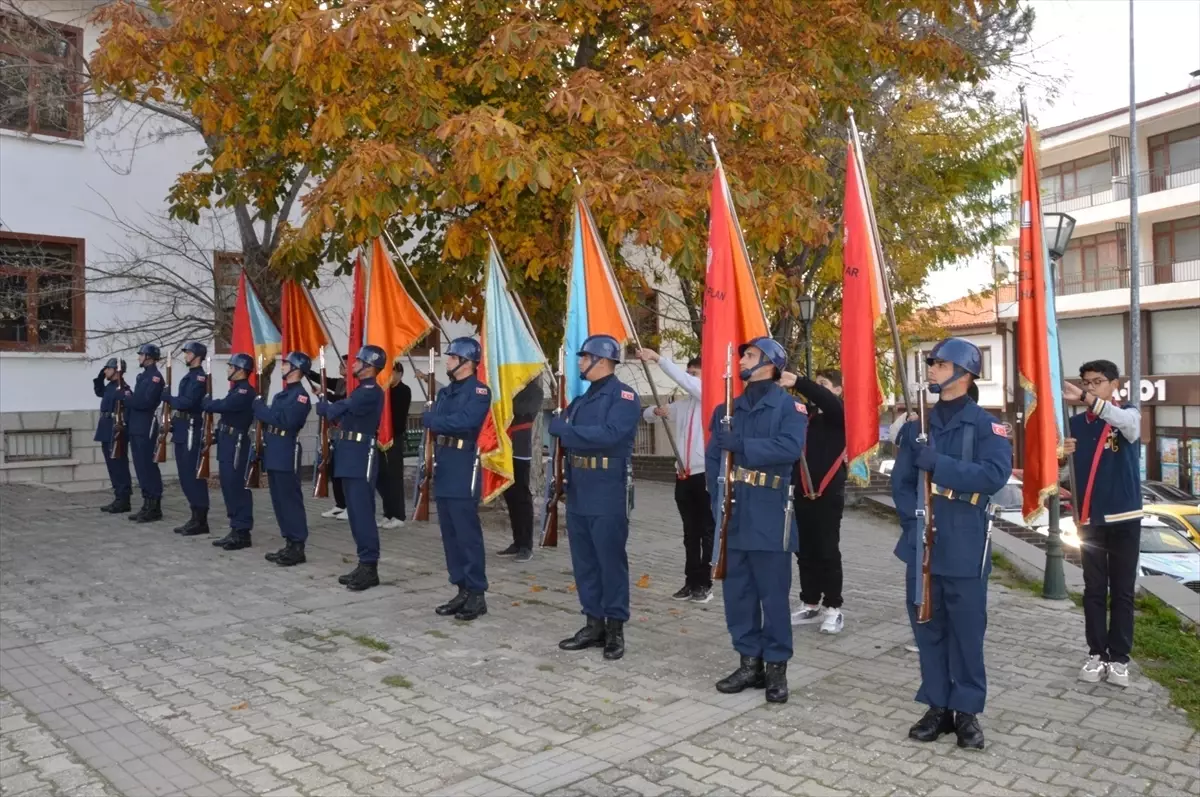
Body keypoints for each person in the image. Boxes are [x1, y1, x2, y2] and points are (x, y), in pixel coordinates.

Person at [891, 337, 1011, 750]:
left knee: (966, 633)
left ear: (965, 373)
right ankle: (938, 706)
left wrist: (939, 465)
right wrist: (913, 523)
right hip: (922, 540)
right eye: (931, 363)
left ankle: (967, 712)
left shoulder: (986, 426)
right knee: (927, 629)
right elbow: (901, 484)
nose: (931, 369)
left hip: (964, 541)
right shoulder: (916, 428)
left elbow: (993, 476)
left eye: (939, 364)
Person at [706, 337, 807, 704]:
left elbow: (789, 448)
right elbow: (714, 458)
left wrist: (744, 446)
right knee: (738, 593)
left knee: (773, 596)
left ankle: (776, 667)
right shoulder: (727, 409)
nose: (742, 360)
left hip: (769, 510)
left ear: (770, 364)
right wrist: (717, 501)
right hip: (734, 509)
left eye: (749, 355)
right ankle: (749, 662)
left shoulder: (789, 407)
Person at [551, 334, 642, 660]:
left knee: (610, 561)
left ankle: (615, 628)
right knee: (585, 562)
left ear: (601, 361)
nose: (579, 362)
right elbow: (562, 427)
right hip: (580, 487)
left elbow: (610, 436)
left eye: (584, 357)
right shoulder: (581, 399)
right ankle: (593, 623)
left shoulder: (624, 397)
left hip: (607, 489)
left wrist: (567, 431)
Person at [1061, 360, 1143, 689]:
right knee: (1094, 589)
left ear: (1114, 384)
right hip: (1089, 518)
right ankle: (1097, 653)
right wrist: (1060, 454)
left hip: (1125, 517)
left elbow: (1126, 423)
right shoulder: (1074, 424)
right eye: (1086, 382)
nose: (1091, 387)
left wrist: (1086, 398)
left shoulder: (1128, 416)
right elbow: (1064, 475)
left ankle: (1120, 658)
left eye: (1097, 382)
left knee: (1122, 590)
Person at [637, 348, 713, 603]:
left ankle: (705, 583)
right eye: (688, 372)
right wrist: (655, 412)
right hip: (683, 476)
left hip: (704, 475)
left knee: (706, 531)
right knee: (689, 533)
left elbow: (687, 383)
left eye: (695, 373)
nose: (689, 377)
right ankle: (690, 581)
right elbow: (649, 415)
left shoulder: (710, 398)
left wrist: (659, 359)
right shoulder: (683, 405)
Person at [425, 337, 492, 621]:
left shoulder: (478, 391)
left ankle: (477, 593)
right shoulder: (445, 392)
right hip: (445, 463)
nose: (448, 361)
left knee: (467, 534)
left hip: (464, 466)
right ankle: (461, 588)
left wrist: (434, 421)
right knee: (450, 535)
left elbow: (465, 421)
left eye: (452, 357)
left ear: (467, 362)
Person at [780, 369, 847, 633]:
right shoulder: (805, 415)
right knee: (804, 550)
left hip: (828, 493)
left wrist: (800, 382)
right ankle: (810, 602)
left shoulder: (839, 414)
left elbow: (827, 401)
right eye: (817, 383)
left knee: (827, 550)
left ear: (838, 390)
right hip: (801, 491)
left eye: (824, 384)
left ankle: (833, 607)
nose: (818, 388)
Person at [317, 345, 386, 591]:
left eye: (357, 361)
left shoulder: (370, 391)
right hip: (349, 454)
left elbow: (335, 410)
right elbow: (342, 416)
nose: (352, 364)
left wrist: (325, 405)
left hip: (360, 457)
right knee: (355, 514)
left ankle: (370, 566)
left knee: (363, 513)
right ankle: (363, 561)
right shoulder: (359, 390)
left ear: (369, 366)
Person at [257, 351, 315, 567]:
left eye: (286, 364)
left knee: (290, 499)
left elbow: (286, 421)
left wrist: (261, 410)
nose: (282, 367)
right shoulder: (283, 394)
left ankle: (298, 545)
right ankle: (289, 542)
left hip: (286, 450)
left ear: (296, 369)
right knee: (279, 500)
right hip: (274, 448)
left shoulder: (300, 396)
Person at [201, 353, 257, 551]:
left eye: (231, 367)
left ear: (240, 370)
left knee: (236, 486)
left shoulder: (244, 391)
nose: (228, 369)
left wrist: (208, 403)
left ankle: (242, 532)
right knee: (228, 486)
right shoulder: (235, 389)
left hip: (237, 444)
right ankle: (235, 527)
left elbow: (225, 406)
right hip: (228, 441)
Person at [163, 342, 211, 536]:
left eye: (189, 353)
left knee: (193, 475)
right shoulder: (189, 376)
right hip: (182, 427)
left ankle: (201, 519)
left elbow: (188, 402)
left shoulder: (199, 377)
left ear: (197, 356)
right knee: (184, 475)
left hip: (192, 427)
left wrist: (169, 399)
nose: (186, 356)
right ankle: (194, 516)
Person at [498, 379, 544, 563]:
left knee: (522, 497)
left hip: (520, 449)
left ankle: (526, 545)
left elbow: (521, 411)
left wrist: (504, 401)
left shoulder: (534, 391)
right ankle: (517, 542)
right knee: (510, 496)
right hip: (504, 448)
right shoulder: (507, 385)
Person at [121, 343, 167, 523]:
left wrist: (127, 398)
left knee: (148, 466)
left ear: (149, 357)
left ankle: (154, 505)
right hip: (136, 425)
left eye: (141, 355)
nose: (139, 358)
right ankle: (147, 503)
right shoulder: (143, 376)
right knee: (140, 466)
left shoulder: (155, 378)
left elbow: (144, 402)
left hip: (146, 425)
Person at [310, 354, 350, 520]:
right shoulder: (340, 382)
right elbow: (323, 380)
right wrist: (306, 371)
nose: (340, 366)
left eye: (344, 364)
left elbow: (342, 400)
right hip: (335, 432)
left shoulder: (353, 385)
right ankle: (340, 504)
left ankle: (349, 505)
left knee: (345, 471)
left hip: (347, 433)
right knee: (334, 469)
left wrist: (325, 395)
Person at [377, 357, 412, 529]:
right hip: (381, 438)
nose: (389, 376)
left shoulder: (403, 391)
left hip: (395, 438)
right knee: (381, 476)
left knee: (394, 477)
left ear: (399, 373)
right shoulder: (385, 391)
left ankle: (398, 515)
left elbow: (398, 417)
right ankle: (388, 512)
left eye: (392, 372)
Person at [94, 358, 132, 514]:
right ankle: (118, 497)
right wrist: (99, 378)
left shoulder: (123, 389)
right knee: (112, 465)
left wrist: (121, 431)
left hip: (116, 430)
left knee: (119, 465)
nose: (106, 371)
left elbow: (127, 412)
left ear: (117, 371)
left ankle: (123, 499)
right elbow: (99, 391)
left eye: (108, 369)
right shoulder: (110, 387)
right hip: (106, 428)